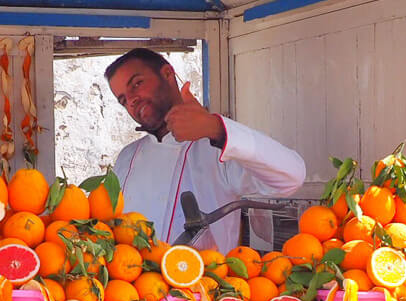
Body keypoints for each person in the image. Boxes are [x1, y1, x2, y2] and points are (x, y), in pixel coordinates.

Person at [106, 48, 307, 251]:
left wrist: (216, 128)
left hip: (202, 280)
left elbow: (292, 177)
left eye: (137, 84)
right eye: (123, 99)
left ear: (167, 74)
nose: (131, 100)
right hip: (131, 279)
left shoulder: (218, 146)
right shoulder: (127, 156)